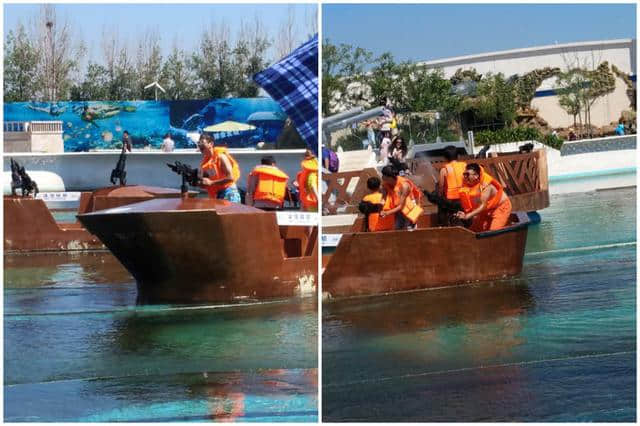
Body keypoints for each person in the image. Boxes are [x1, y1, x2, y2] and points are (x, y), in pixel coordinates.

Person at [455, 163, 512, 232]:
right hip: (486, 211)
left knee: (493, 232)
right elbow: (474, 203)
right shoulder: (468, 185)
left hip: (500, 208)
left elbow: (483, 205)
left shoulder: (487, 186)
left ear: (476, 176)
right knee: (473, 231)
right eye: (464, 174)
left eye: (467, 174)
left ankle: (506, 227)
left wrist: (467, 216)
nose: (465, 177)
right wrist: (465, 214)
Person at [197, 134, 241, 202]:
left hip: (229, 193)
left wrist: (211, 182)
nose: (200, 145)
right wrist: (200, 183)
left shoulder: (221, 157)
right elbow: (206, 183)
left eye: (202, 142)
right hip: (217, 195)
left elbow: (230, 177)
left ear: (211, 144)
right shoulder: (205, 163)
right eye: (199, 143)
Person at [380, 165, 424, 230]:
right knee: (397, 229)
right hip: (397, 208)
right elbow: (383, 198)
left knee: (408, 230)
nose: (382, 177)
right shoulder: (385, 184)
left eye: (384, 176)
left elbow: (401, 206)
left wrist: (387, 213)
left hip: (408, 208)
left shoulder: (404, 185)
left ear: (390, 177)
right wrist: (381, 205)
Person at [438, 145, 466, 225]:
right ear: (458, 156)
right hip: (465, 197)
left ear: (445, 158)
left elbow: (441, 187)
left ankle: (442, 225)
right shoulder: (464, 166)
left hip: (452, 200)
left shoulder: (444, 170)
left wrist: (440, 196)